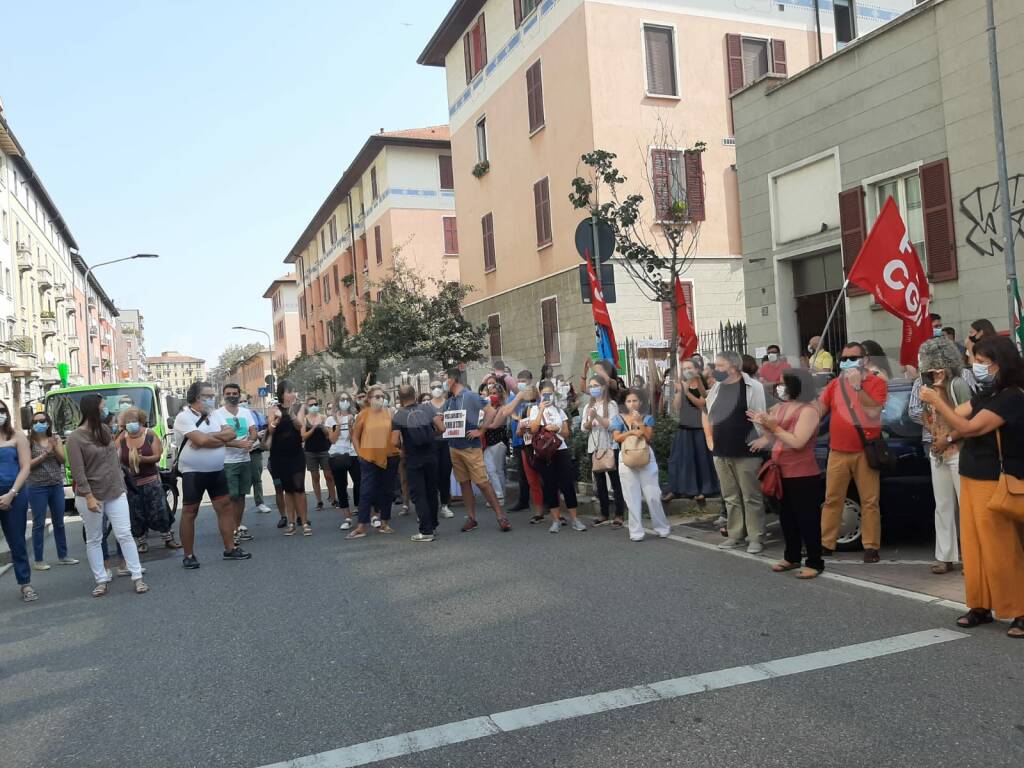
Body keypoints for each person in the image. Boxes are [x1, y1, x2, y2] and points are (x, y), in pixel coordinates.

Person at [920, 336, 1024, 639]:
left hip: (995, 480)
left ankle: (1019, 609)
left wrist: (938, 402)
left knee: (1001, 548)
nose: (974, 366)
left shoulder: (1013, 397)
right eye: (972, 359)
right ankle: (980, 605)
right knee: (975, 548)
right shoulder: (988, 393)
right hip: (971, 475)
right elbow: (959, 416)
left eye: (980, 361)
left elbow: (970, 428)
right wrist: (940, 392)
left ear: (999, 363)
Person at [68, 394, 150, 596]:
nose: (107, 411)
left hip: (115, 490)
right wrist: (88, 496)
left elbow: (113, 461)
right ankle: (101, 580)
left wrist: (122, 484)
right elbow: (78, 471)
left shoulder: (105, 430)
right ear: (92, 410)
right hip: (90, 495)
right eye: (103, 407)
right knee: (95, 537)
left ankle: (137, 576)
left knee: (124, 533)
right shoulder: (75, 437)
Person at [748, 369, 824, 578]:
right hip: (780, 471)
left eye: (783, 383)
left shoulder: (809, 410)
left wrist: (774, 427)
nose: (779, 387)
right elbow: (772, 439)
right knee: (787, 517)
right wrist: (764, 424)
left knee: (807, 518)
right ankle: (791, 556)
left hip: (803, 473)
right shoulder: (781, 408)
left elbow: (798, 441)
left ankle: (815, 561)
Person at [817, 342, 888, 562]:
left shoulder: (876, 383)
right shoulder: (835, 385)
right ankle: (826, 543)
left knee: (870, 501)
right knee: (832, 499)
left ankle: (871, 546)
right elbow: (819, 410)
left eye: (853, 357)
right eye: (844, 358)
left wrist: (858, 388)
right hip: (837, 451)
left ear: (865, 360)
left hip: (864, 451)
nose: (847, 362)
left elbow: (874, 410)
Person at [908, 338, 971, 574]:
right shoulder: (924, 387)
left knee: (965, 505)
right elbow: (926, 416)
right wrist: (934, 435)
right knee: (942, 505)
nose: (932, 371)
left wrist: (941, 390)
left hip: (958, 450)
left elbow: (964, 420)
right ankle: (945, 556)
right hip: (938, 450)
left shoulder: (957, 385)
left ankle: (969, 555)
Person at [174, 381, 252, 566]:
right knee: (190, 512)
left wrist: (208, 438)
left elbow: (231, 434)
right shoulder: (184, 417)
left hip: (217, 471)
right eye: (207, 396)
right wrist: (214, 438)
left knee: (225, 508)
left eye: (212, 395)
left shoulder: (215, 415)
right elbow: (201, 440)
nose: (212, 399)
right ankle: (189, 555)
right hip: (194, 473)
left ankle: (230, 548)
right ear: (195, 397)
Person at [703, 351, 767, 554]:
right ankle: (735, 534)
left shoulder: (752, 387)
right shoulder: (716, 387)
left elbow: (761, 415)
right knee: (730, 496)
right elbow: (708, 413)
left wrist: (763, 438)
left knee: (751, 496)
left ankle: (756, 537)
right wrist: (710, 439)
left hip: (747, 450)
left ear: (733, 367)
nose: (716, 369)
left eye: (720, 365)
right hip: (721, 450)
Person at [437, 368, 511, 533]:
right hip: (454, 447)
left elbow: (490, 411)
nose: (443, 383)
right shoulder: (449, 401)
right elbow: (440, 418)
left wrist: (481, 430)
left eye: (445, 379)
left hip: (471, 447)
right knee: (464, 483)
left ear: (453, 379)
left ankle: (500, 516)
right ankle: (471, 518)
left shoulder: (469, 396)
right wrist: (438, 422)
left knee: (483, 483)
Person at [612, 389, 671, 542]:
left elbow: (649, 436)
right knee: (631, 497)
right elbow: (617, 437)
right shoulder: (618, 418)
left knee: (653, 495)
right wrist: (631, 433)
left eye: (635, 401)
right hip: (626, 457)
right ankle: (636, 531)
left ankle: (661, 527)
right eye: (629, 401)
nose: (632, 404)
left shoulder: (647, 417)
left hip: (646, 456)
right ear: (624, 404)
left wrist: (639, 423)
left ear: (641, 402)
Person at [115, 407, 176, 553]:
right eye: (128, 421)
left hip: (151, 481)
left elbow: (157, 456)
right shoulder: (121, 438)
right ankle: (141, 541)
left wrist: (142, 459)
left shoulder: (149, 434)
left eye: (134, 421)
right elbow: (115, 459)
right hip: (131, 483)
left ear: (141, 421)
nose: (131, 424)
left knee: (159, 511)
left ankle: (168, 538)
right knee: (136, 514)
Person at [528, 380, 586, 533]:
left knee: (567, 483)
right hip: (544, 453)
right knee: (550, 485)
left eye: (550, 393)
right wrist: (541, 411)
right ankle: (555, 520)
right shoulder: (534, 409)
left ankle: (575, 518)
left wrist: (557, 428)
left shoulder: (559, 411)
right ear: (540, 393)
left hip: (560, 449)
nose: (548, 396)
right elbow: (533, 429)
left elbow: (566, 433)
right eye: (545, 393)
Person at [664, 358, 719, 505]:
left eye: (690, 368)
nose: (687, 371)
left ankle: (702, 490)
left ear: (696, 369)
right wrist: (679, 391)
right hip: (684, 427)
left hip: (700, 427)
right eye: (685, 368)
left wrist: (688, 392)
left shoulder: (702, 383)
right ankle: (678, 489)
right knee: (681, 460)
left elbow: (702, 403)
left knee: (701, 460)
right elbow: (676, 406)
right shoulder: (680, 385)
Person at [347, 386, 400, 539]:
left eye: (382, 396)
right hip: (369, 457)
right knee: (366, 492)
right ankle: (361, 526)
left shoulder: (389, 413)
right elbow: (355, 436)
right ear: (369, 399)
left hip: (390, 455)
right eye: (376, 396)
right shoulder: (363, 415)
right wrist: (360, 454)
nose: (380, 399)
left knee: (387, 491)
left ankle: (384, 523)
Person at [27, 411, 77, 570]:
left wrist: (54, 448)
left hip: (55, 484)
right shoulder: (29, 441)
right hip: (36, 486)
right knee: (38, 523)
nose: (38, 424)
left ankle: (63, 555)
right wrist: (46, 452)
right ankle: (39, 560)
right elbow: (27, 465)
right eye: (35, 422)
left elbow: (63, 460)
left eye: (42, 421)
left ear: (48, 422)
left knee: (59, 522)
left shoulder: (55, 438)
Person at [393, 385, 441, 542]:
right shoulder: (427, 409)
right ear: (415, 395)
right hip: (431, 455)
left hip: (413, 458)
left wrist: (404, 446)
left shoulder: (399, 415)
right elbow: (442, 427)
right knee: (431, 492)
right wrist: (430, 436)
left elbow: (394, 441)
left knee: (418, 494)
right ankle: (433, 526)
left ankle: (426, 531)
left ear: (400, 398)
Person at [0, 400, 36, 602]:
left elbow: (25, 467)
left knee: (17, 541)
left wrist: (11, 493)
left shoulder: (17, 436)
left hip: (15, 494)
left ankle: (25, 584)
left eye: (2, 410)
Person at [215, 383, 259, 546]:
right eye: (228, 393)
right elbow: (218, 438)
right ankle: (230, 530)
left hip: (244, 460)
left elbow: (253, 430)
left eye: (235, 393)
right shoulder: (217, 414)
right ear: (224, 395)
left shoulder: (246, 412)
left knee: (241, 496)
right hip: (227, 461)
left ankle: (237, 527)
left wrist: (250, 441)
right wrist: (238, 445)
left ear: (239, 395)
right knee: (230, 496)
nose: (232, 396)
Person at [268, 380, 310, 536]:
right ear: (281, 393)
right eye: (288, 391)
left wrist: (290, 413)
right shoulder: (273, 409)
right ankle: (291, 522)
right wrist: (277, 420)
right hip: (279, 454)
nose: (292, 394)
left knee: (299, 488)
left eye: (293, 391)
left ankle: (304, 522)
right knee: (288, 490)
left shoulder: (299, 407)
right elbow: (270, 431)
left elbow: (300, 427)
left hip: (296, 453)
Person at [581, 376, 624, 527]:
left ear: (603, 387)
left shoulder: (611, 404)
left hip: (609, 446)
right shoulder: (588, 407)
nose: (593, 388)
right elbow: (583, 428)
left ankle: (619, 514)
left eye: (596, 385)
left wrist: (597, 417)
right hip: (594, 448)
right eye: (591, 386)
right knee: (599, 483)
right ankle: (604, 513)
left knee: (615, 481)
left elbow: (612, 425)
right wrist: (589, 421)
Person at [327, 391, 361, 530]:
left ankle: (360, 510)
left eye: (347, 399)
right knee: (341, 485)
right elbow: (333, 439)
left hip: (352, 453)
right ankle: (347, 517)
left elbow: (355, 437)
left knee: (359, 482)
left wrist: (352, 425)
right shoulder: (330, 420)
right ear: (337, 401)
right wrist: (340, 425)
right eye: (342, 399)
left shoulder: (355, 417)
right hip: (337, 455)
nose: (345, 402)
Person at [424, 380, 455, 519]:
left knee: (445, 474)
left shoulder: (450, 403)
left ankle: (444, 505)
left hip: (447, 443)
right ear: (429, 389)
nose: (436, 389)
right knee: (431, 475)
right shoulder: (426, 406)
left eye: (438, 386)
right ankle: (432, 505)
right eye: (433, 387)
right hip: (431, 444)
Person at [301, 396, 337, 510]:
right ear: (307, 406)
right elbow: (303, 437)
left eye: (315, 404)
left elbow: (328, 435)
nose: (314, 407)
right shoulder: (304, 419)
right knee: (315, 477)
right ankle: (319, 501)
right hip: (310, 452)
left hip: (324, 450)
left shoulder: (323, 417)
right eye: (311, 405)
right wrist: (313, 428)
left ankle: (334, 498)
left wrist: (322, 427)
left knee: (329, 475)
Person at [481, 380, 511, 504]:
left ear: (500, 395)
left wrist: (481, 425)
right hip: (488, 442)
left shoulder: (503, 408)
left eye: (495, 393)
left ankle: (500, 496)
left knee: (498, 470)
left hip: (498, 442)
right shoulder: (488, 408)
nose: (492, 395)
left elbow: (494, 425)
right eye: (491, 393)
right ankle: (496, 495)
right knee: (490, 470)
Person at [243, 396, 272, 514]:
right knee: (242, 480)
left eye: (244, 401)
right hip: (239, 452)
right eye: (240, 401)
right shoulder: (232, 417)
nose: (242, 403)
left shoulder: (255, 415)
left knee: (257, 478)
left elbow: (264, 428)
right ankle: (240, 504)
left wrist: (261, 434)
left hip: (255, 451)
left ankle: (260, 503)